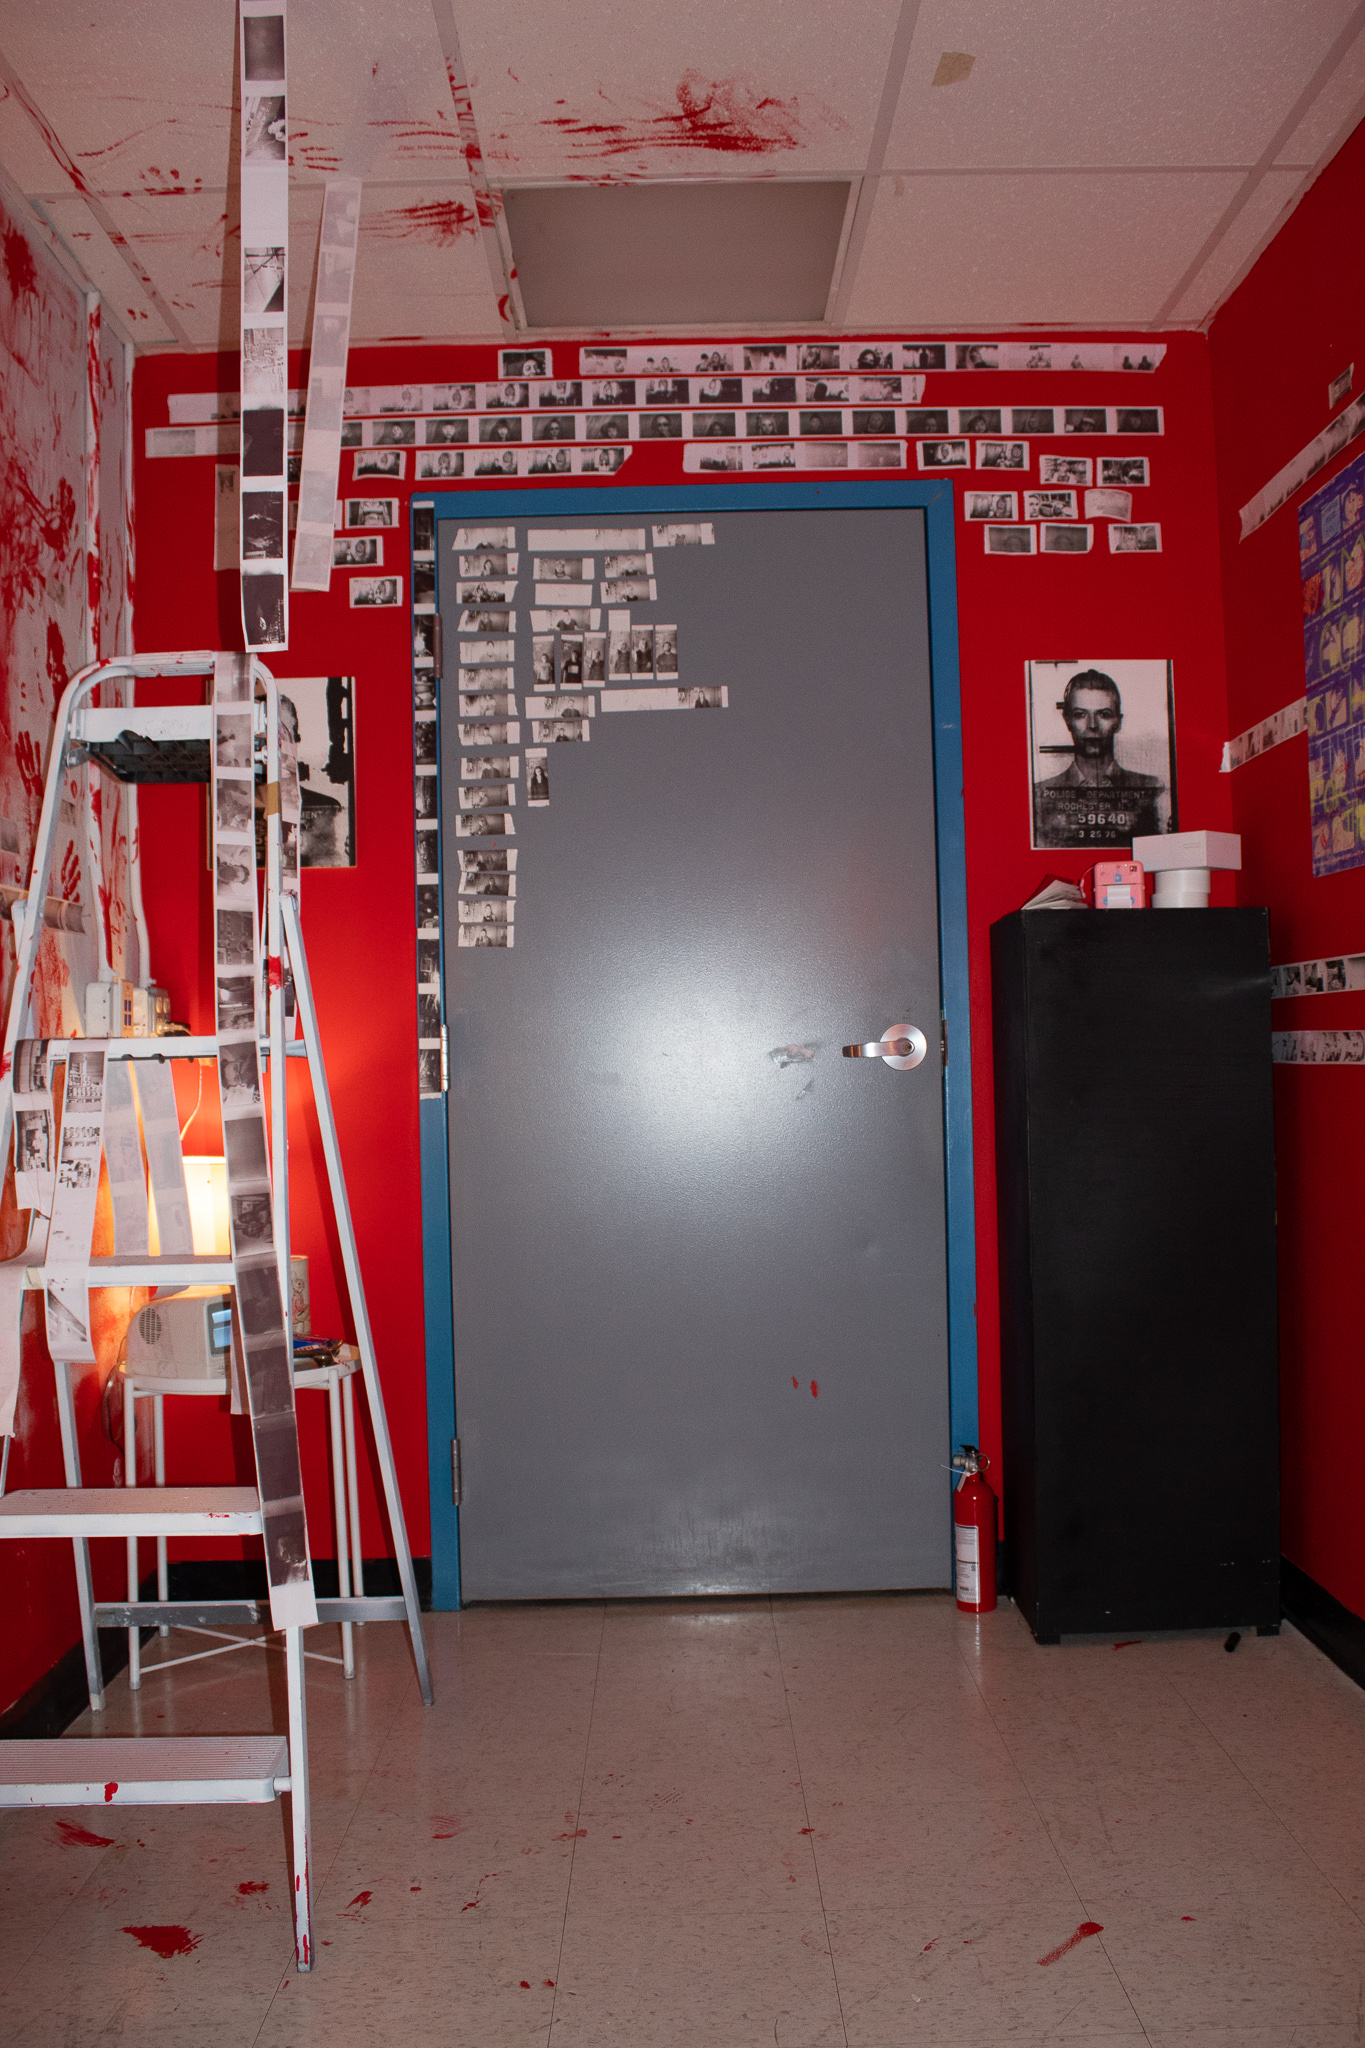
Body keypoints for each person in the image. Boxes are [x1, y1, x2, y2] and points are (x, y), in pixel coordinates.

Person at [1032, 669, 1164, 848]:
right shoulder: (1039, 794)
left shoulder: (1153, 790)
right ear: (1067, 720)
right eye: (1080, 714)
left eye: (1104, 714)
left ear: (1118, 722)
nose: (1092, 725)